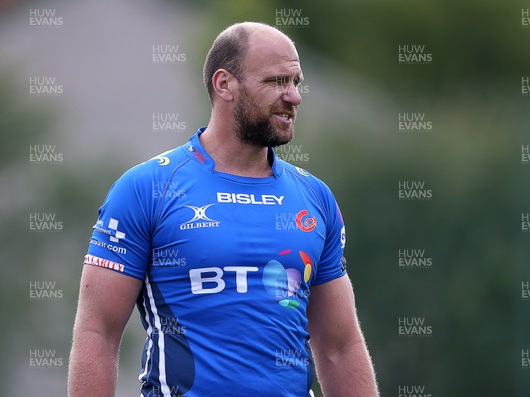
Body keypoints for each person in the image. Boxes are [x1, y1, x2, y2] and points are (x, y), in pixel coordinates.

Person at [68, 21, 379, 397]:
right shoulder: (146, 189)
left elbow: (339, 348)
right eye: (277, 82)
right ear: (224, 84)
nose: (294, 96)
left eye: (296, 82)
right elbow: (97, 333)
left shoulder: (315, 197)